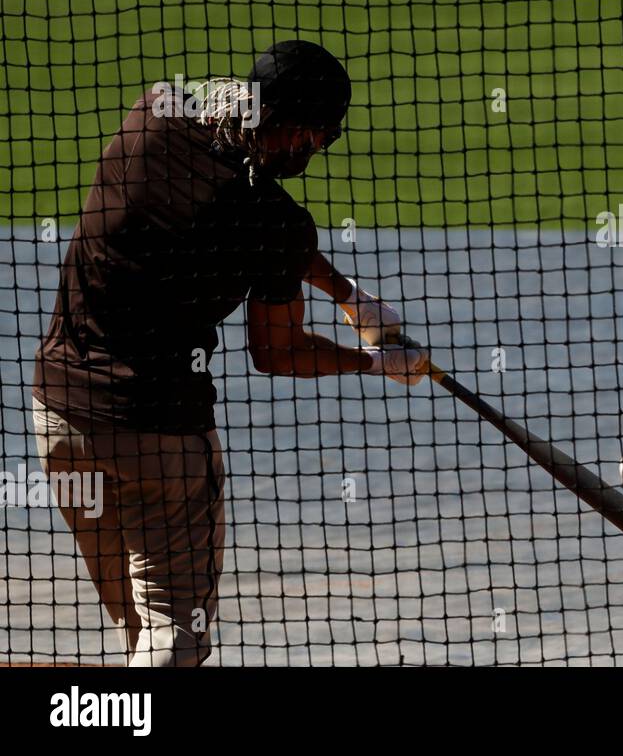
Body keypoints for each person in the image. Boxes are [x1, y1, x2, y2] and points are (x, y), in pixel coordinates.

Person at [30, 39, 428, 666]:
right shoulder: (271, 222)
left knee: (138, 623)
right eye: (321, 137)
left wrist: (347, 294)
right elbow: (277, 352)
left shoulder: (155, 111)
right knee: (175, 638)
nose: (317, 150)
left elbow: (260, 224)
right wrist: (373, 363)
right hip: (157, 436)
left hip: (57, 419)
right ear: (300, 133)